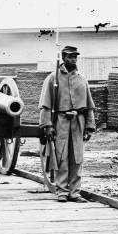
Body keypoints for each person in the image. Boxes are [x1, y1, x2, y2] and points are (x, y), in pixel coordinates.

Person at [39, 45, 96, 203]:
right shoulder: (53, 79)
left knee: (77, 158)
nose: (73, 59)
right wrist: (48, 126)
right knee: (61, 157)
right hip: (60, 122)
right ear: (63, 58)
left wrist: (90, 127)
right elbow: (45, 105)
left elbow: (89, 106)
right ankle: (62, 191)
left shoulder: (82, 79)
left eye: (75, 57)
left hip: (78, 122)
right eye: (70, 57)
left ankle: (74, 192)